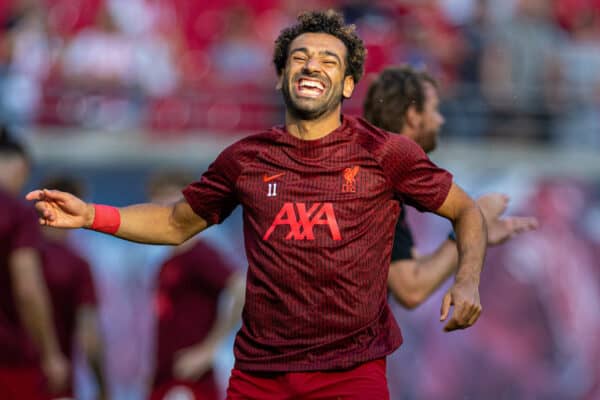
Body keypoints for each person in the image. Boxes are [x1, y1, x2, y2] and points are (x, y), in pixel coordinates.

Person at [27, 10, 487, 399]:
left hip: (350, 373)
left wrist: (467, 282)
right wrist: (89, 215)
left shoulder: (386, 153)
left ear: (348, 85)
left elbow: (466, 212)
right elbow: (174, 222)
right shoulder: (245, 159)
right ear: (281, 76)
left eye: (328, 60)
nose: (311, 66)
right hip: (259, 377)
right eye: (299, 58)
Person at [363, 65, 539, 309]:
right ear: (413, 116)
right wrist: (472, 225)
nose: (440, 120)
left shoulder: (374, 169)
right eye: (435, 110)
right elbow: (411, 289)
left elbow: (406, 270)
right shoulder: (378, 182)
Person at [147, 171, 245, 400]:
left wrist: (208, 350)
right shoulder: (166, 260)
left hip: (191, 378)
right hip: (164, 373)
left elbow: (241, 289)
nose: (163, 208)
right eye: (157, 201)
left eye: (169, 200)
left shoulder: (201, 253)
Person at [0, 128, 68, 400]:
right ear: (20, 166)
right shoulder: (15, 213)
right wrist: (50, 353)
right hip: (9, 358)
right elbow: (28, 289)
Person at [37, 176, 107, 400]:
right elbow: (90, 338)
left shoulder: (13, 253)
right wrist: (103, 387)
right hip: (55, 380)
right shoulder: (75, 265)